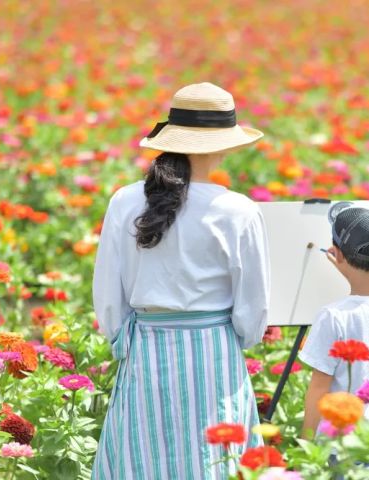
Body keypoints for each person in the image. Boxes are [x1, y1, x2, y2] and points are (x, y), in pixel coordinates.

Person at [91, 82, 270, 479]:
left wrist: (122, 339)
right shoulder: (237, 210)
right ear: (224, 145)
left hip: (147, 350)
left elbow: (108, 293)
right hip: (213, 352)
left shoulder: (125, 200)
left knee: (143, 458)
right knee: (215, 461)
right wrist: (237, 337)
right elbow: (253, 307)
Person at [298, 205, 369, 437]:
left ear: (337, 253)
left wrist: (306, 445)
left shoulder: (333, 315)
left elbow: (318, 389)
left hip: (340, 437)